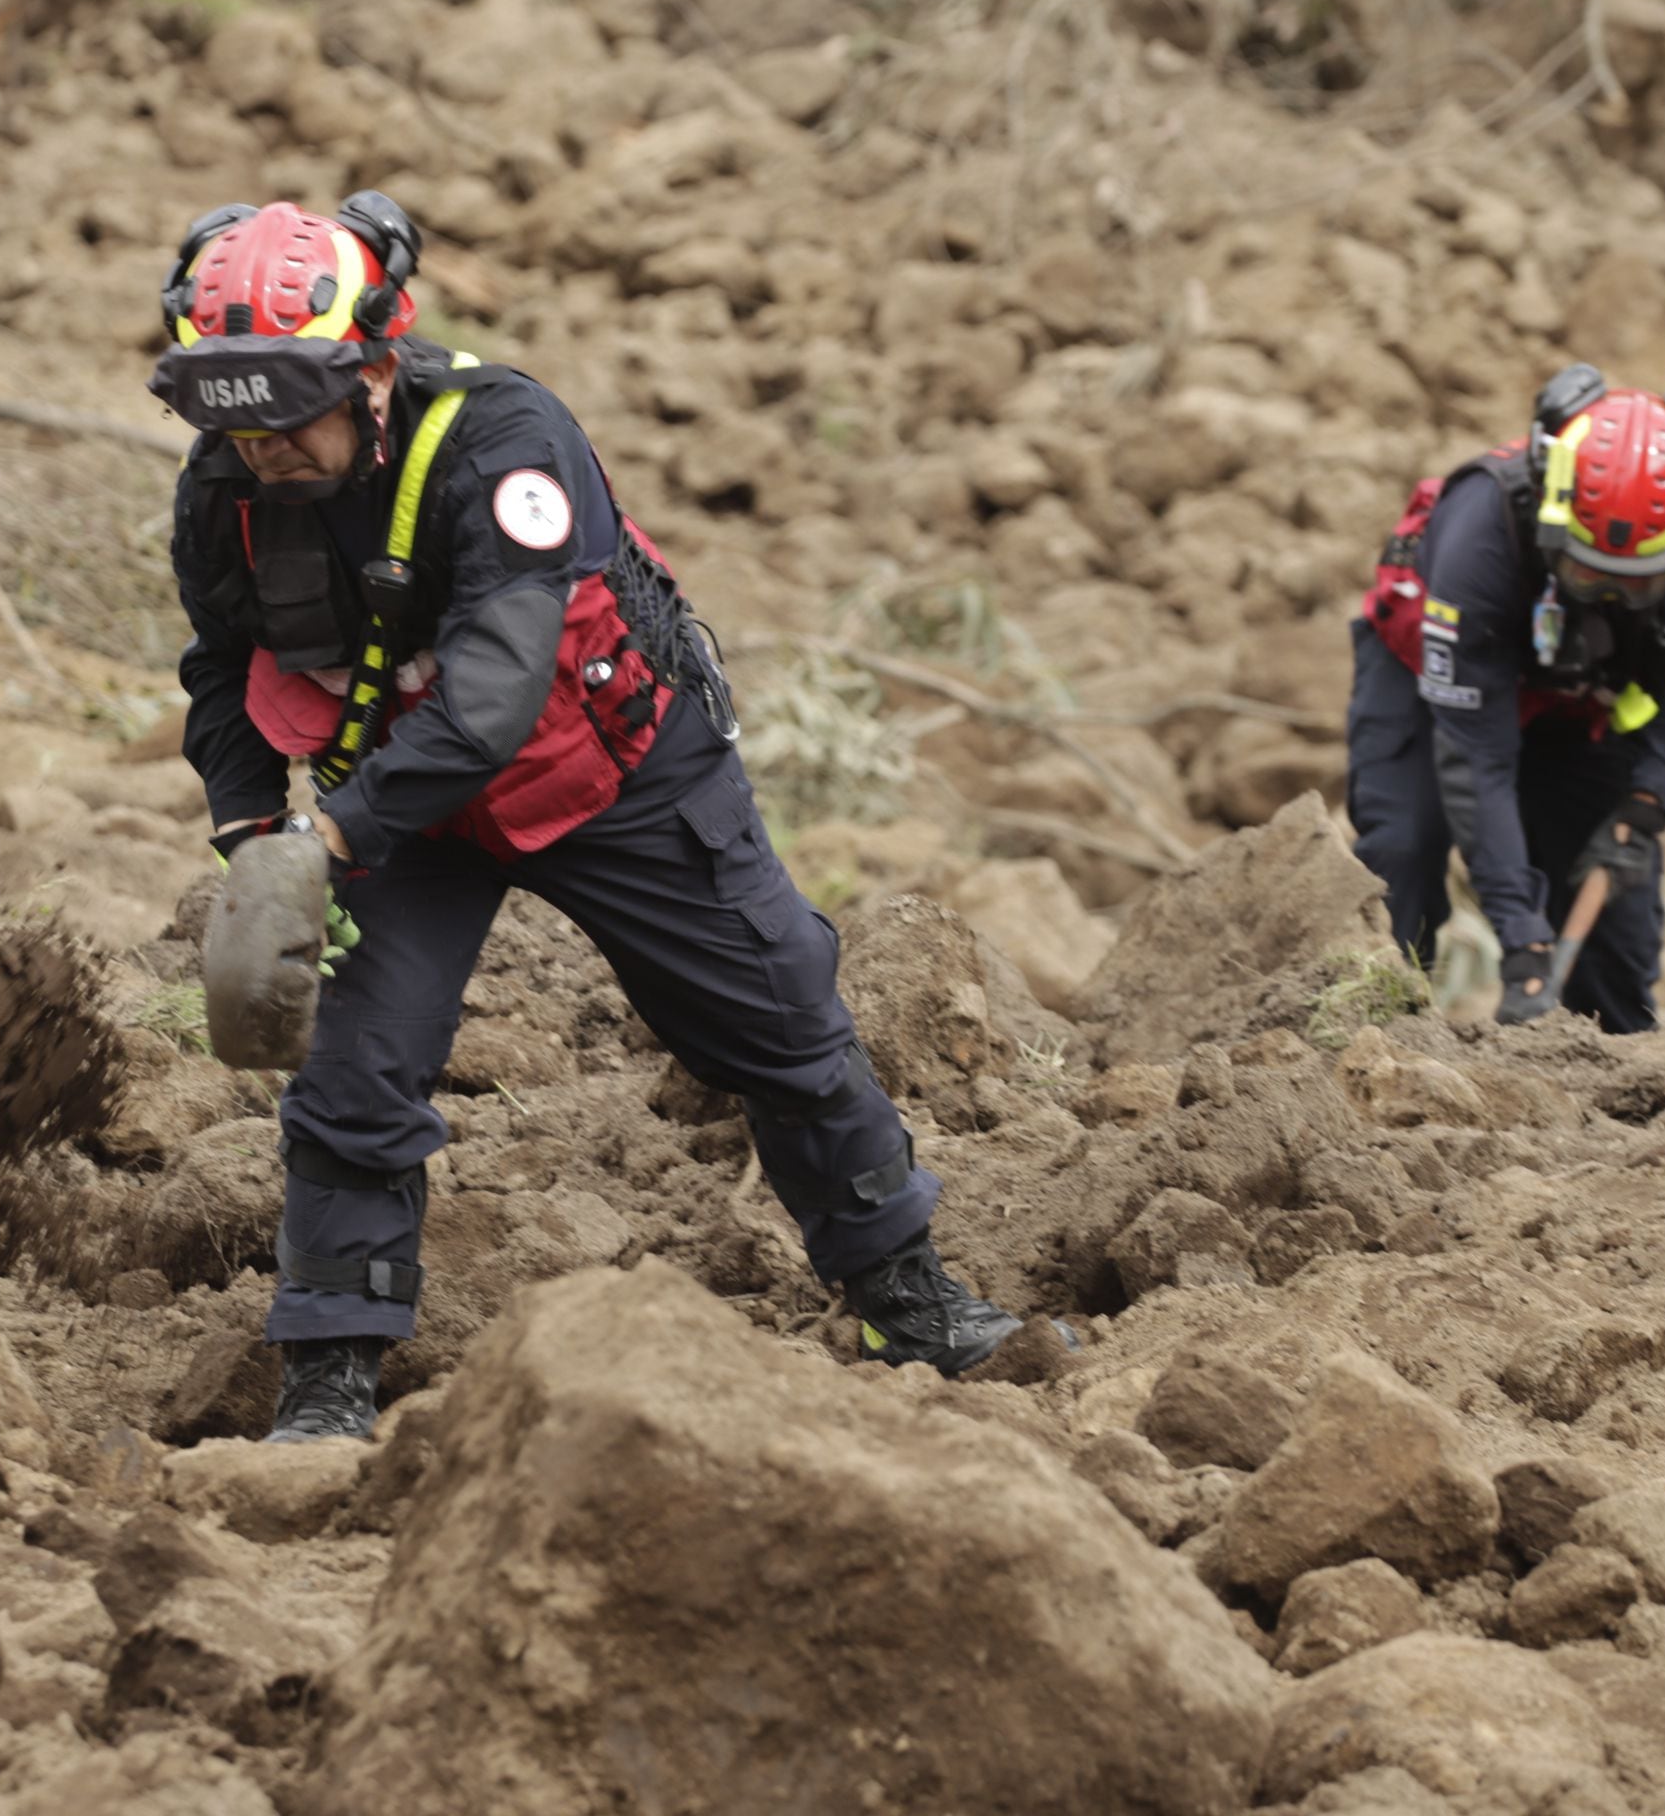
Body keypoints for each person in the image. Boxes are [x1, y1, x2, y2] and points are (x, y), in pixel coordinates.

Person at [146, 193, 1066, 1442]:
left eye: (287, 410)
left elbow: (491, 698)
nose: (261, 450)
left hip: (617, 771)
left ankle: (908, 1304)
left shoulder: (504, 443)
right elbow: (221, 667)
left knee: (782, 1015)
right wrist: (254, 834)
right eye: (231, 417)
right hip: (401, 803)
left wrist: (331, 841)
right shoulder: (227, 487)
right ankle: (327, 1380)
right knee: (356, 1065)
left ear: (368, 360)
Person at [1346, 364, 1665, 1034]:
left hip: (1576, 695)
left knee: (1615, 928)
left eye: (1636, 584)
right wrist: (1522, 942)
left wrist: (1648, 798)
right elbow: (1478, 761)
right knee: (1405, 849)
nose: (1610, 595)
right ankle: (1373, 1044)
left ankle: (1614, 1096)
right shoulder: (1481, 536)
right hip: (1439, 681)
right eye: (1587, 571)